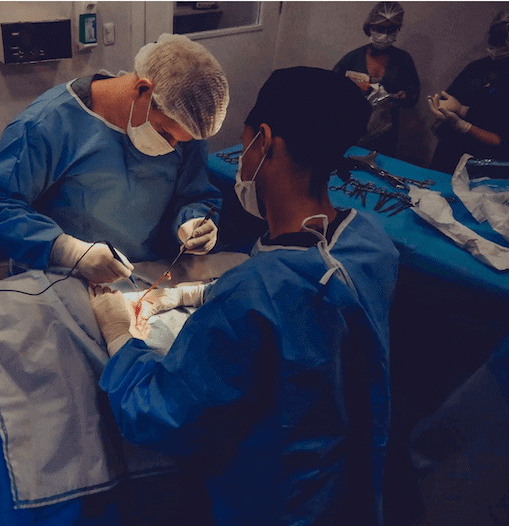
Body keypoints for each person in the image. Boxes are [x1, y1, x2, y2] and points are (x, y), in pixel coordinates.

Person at [88, 67, 399, 525]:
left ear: (265, 141)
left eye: (244, 141)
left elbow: (157, 415)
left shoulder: (253, 295)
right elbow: (307, 297)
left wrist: (120, 335)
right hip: (346, 489)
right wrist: (193, 294)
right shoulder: (371, 245)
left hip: (274, 504)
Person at [0, 34, 228, 285]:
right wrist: (68, 250)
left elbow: (195, 194)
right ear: (142, 90)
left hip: (140, 277)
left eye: (181, 141)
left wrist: (194, 222)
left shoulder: (183, 126)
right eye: (164, 132)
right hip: (57, 280)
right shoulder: (48, 124)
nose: (172, 147)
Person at [428, 1, 509, 192]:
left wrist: (462, 125)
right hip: (474, 175)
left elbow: (508, 142)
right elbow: (501, 117)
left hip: (492, 184)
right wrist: (462, 109)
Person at [333, 1, 420, 157]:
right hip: (350, 128)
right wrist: (354, 90)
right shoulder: (353, 58)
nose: (385, 34)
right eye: (380, 28)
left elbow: (413, 95)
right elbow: (331, 87)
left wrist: (403, 95)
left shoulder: (403, 60)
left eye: (391, 29)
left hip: (384, 133)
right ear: (370, 27)